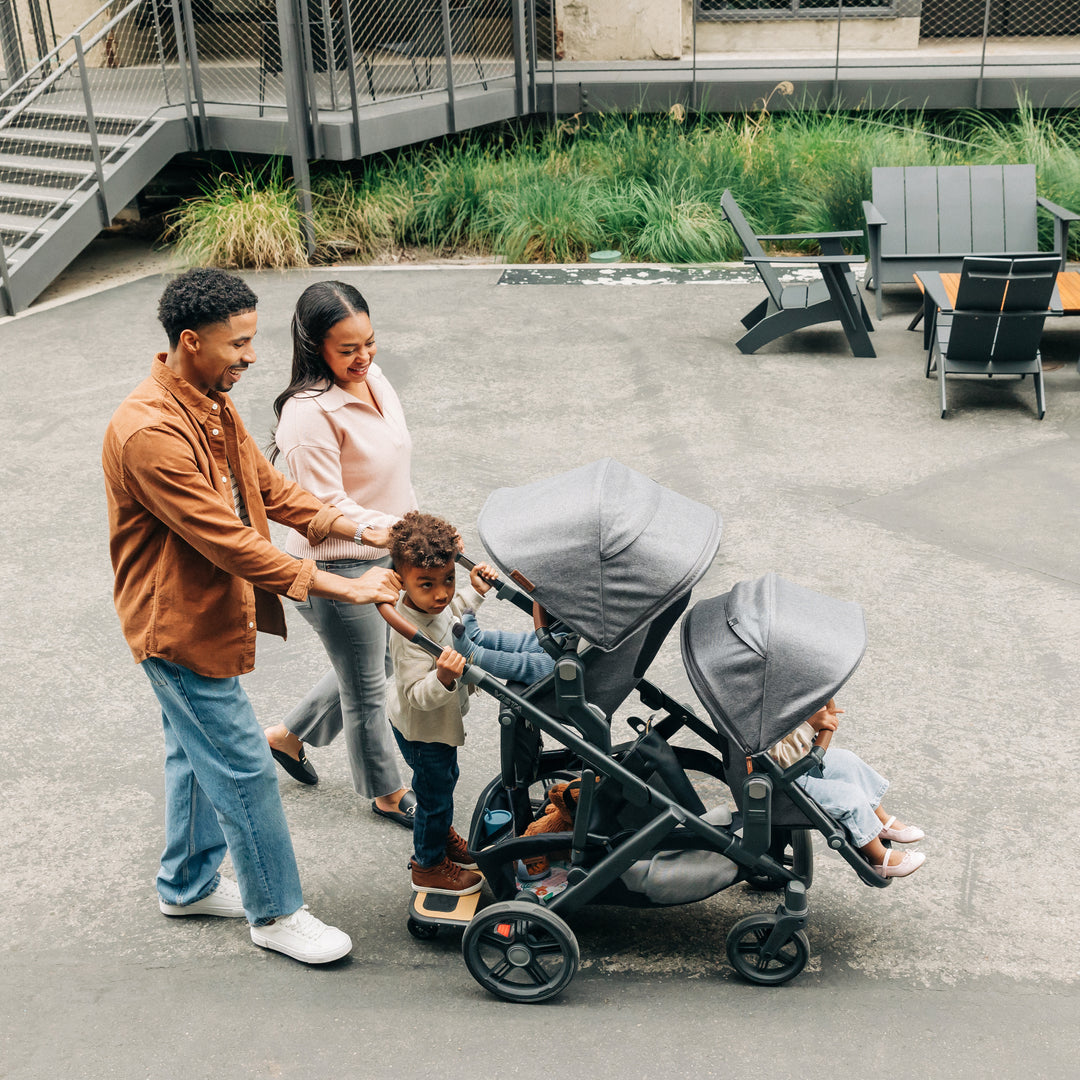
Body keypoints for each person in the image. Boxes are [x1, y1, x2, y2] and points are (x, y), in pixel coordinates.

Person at [102, 268, 401, 964]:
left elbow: (273, 493)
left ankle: (185, 883)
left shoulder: (213, 402)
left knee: (191, 753)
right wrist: (337, 584)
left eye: (251, 338)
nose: (251, 354)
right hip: (173, 629)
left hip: (206, 618)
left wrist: (365, 528)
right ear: (190, 342)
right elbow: (228, 539)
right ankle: (276, 912)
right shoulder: (148, 432)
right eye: (237, 342)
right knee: (242, 767)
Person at [263, 281, 416, 829]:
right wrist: (396, 530)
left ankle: (286, 736)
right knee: (368, 685)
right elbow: (322, 507)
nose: (364, 357)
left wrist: (412, 532)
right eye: (347, 349)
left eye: (369, 342)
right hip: (336, 563)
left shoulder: (372, 378)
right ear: (313, 347)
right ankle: (386, 792)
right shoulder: (307, 415)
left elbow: (394, 469)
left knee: (373, 663)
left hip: (387, 549)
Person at [384, 511, 494, 897]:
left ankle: (439, 831)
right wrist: (443, 677)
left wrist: (475, 590)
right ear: (401, 580)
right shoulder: (407, 630)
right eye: (427, 584)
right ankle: (427, 864)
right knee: (433, 793)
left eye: (448, 579)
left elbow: (452, 617)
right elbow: (417, 693)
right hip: (423, 730)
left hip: (434, 728)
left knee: (443, 784)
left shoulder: (432, 606)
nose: (442, 593)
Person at [769, 699, 926, 879]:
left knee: (848, 762)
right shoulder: (756, 722)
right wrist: (810, 725)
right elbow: (779, 758)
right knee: (848, 798)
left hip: (798, 762)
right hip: (781, 785)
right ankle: (879, 858)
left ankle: (879, 819)